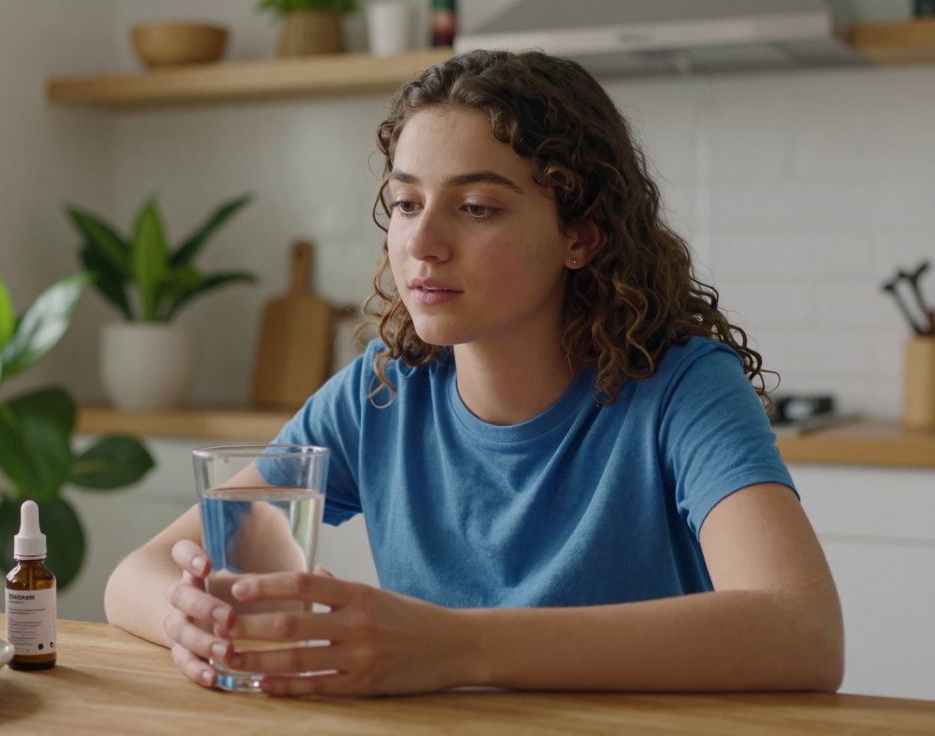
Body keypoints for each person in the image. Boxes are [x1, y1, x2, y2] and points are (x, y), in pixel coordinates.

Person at [103, 49, 843, 697]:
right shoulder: (379, 396)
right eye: (405, 202)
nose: (422, 242)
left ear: (582, 235)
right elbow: (134, 576)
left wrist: (452, 645)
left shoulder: (681, 387)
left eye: (478, 207)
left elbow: (802, 630)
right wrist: (191, 622)